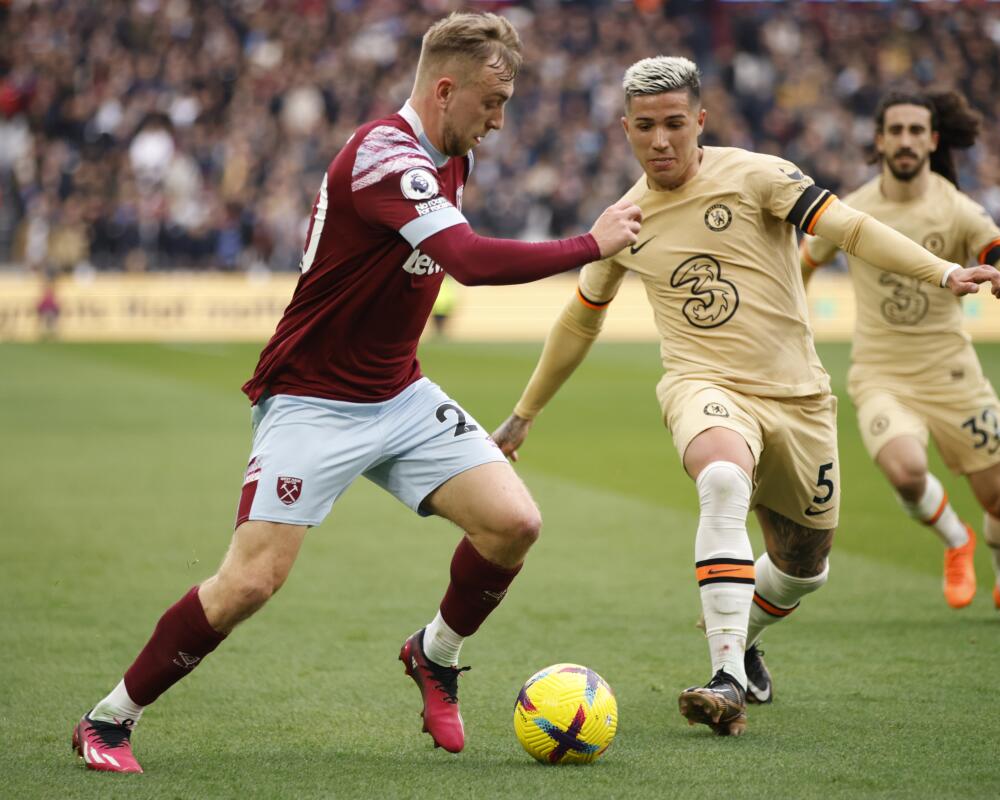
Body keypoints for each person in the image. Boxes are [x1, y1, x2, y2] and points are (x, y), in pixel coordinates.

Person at [72, 12, 641, 773]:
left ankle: (433, 655)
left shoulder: (451, 154)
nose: (500, 122)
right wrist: (589, 244)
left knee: (513, 524)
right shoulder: (384, 156)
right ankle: (108, 720)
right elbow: (467, 260)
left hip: (398, 394)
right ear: (445, 90)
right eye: (491, 104)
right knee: (250, 583)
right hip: (311, 399)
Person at [491, 58, 1000, 737]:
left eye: (675, 123)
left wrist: (942, 272)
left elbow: (848, 229)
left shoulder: (760, 175)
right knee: (724, 479)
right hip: (703, 385)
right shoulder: (622, 221)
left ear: (700, 121)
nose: (661, 140)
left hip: (799, 398)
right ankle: (726, 677)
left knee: (802, 568)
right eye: (645, 127)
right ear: (624, 131)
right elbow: (582, 318)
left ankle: (746, 637)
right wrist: (524, 414)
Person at [802, 89, 1000, 627]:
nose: (905, 140)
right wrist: (787, 317)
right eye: (895, 130)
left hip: (951, 372)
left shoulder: (958, 209)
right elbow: (803, 262)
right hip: (880, 373)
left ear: (933, 140)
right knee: (906, 470)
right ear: (879, 140)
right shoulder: (853, 210)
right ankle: (956, 539)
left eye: (916, 131)